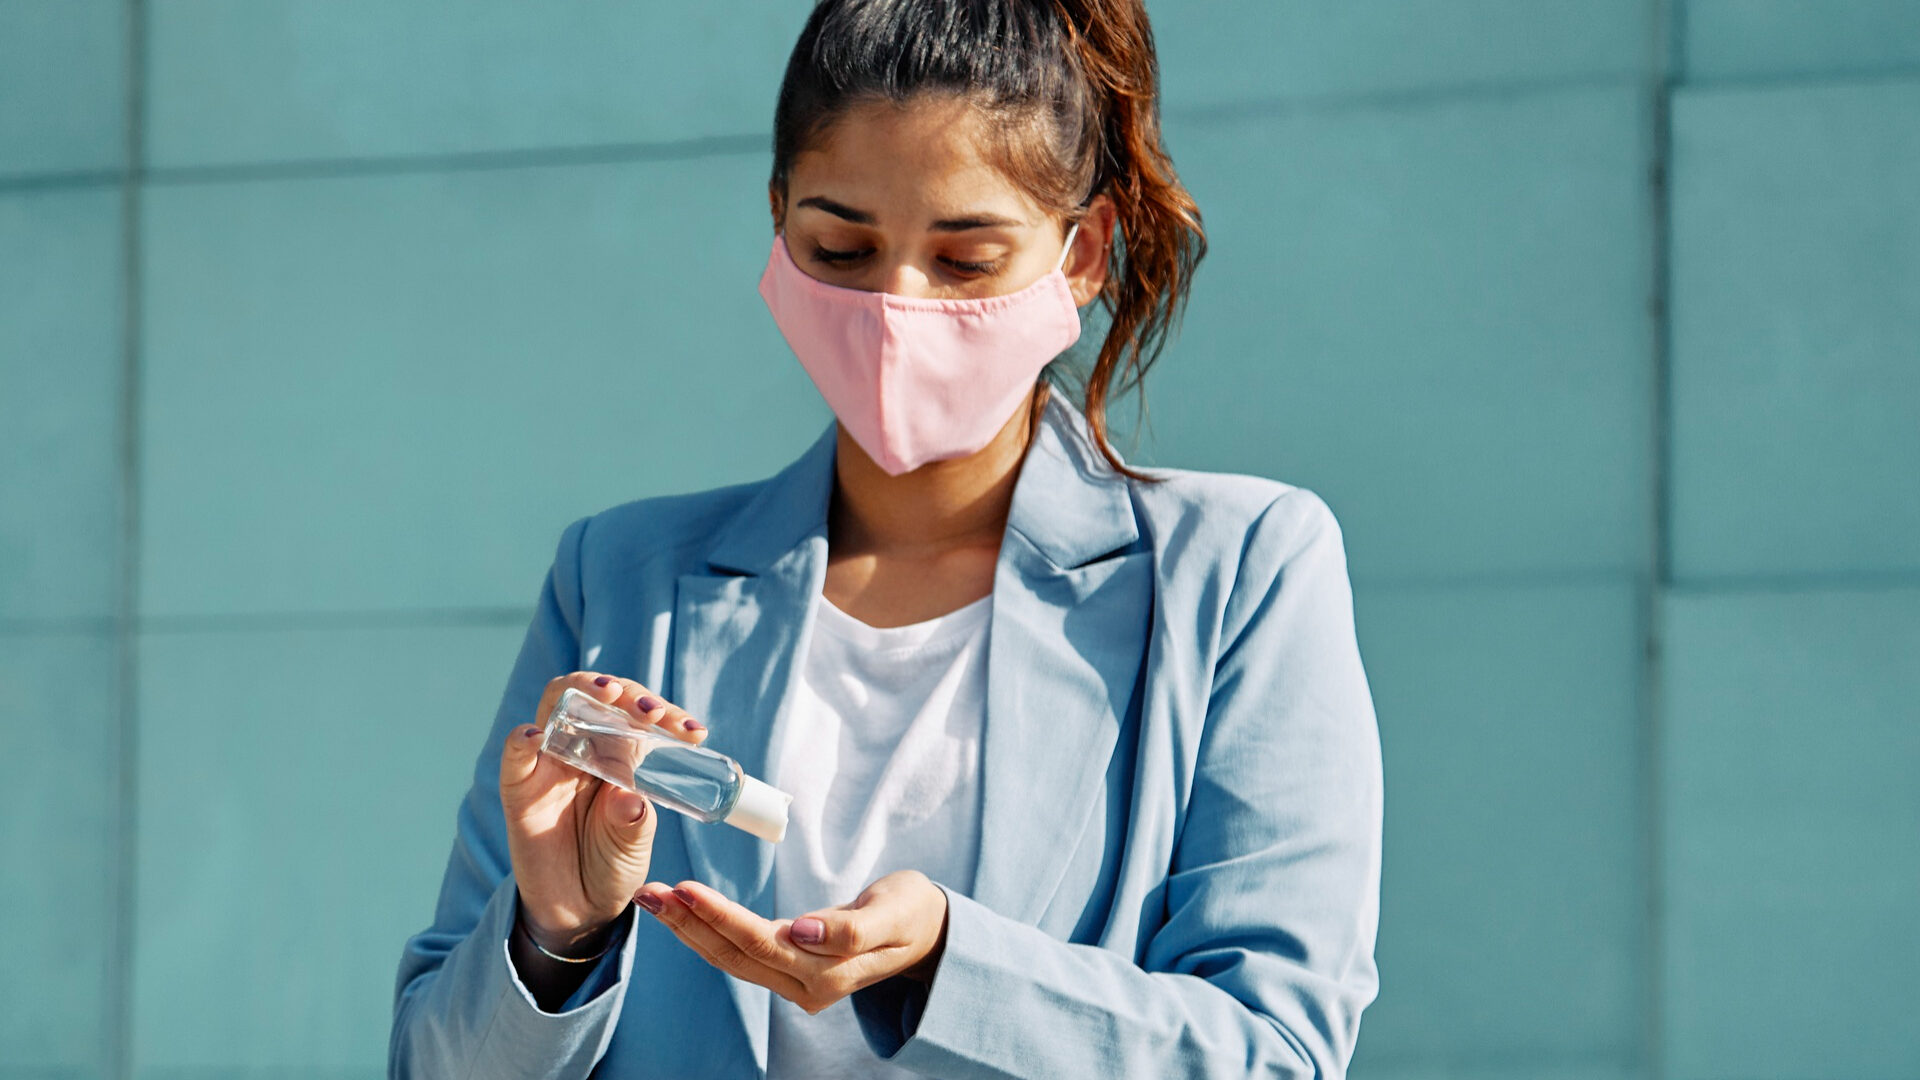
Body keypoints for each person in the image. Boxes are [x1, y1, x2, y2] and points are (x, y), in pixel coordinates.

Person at [389, 0, 1382, 1076]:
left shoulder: (1240, 572)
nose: (894, 308)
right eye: (841, 246)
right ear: (778, 223)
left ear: (1083, 253)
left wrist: (954, 966)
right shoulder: (625, 580)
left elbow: (1279, 1051)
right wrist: (552, 937)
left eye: (964, 260)